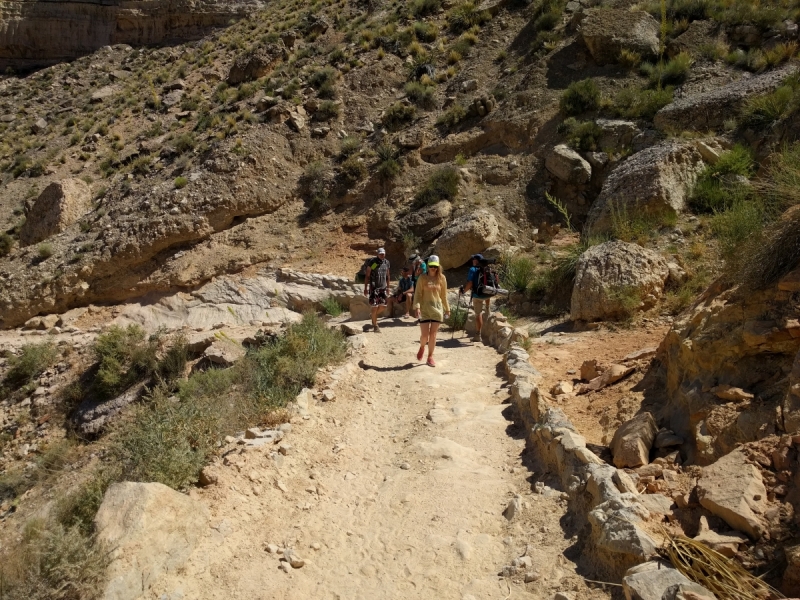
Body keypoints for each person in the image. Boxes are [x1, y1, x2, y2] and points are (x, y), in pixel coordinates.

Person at [412, 254, 450, 367]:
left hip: (437, 309)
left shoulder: (442, 278)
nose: (433, 268)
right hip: (424, 309)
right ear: (428, 266)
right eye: (431, 266)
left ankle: (430, 357)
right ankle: (422, 347)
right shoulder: (422, 278)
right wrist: (417, 307)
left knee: (433, 335)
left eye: (435, 266)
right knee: (425, 336)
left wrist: (447, 309)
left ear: (438, 266)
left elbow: (444, 295)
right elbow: (418, 294)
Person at [460, 253, 491, 343]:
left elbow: (470, 283)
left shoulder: (472, 269)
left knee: (478, 314)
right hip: (488, 293)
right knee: (486, 293)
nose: (472, 260)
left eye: (474, 259)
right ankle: (488, 308)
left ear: (476, 261)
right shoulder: (487, 268)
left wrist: (463, 291)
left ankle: (478, 335)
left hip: (477, 295)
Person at [364, 247, 390, 332]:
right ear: (378, 254)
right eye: (380, 254)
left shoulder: (386, 263)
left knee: (383, 306)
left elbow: (387, 275)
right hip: (374, 288)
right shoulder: (374, 263)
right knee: (375, 307)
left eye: (383, 254)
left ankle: (373, 315)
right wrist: (366, 288)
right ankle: (375, 325)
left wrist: (388, 287)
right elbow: (368, 274)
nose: (382, 255)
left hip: (383, 288)